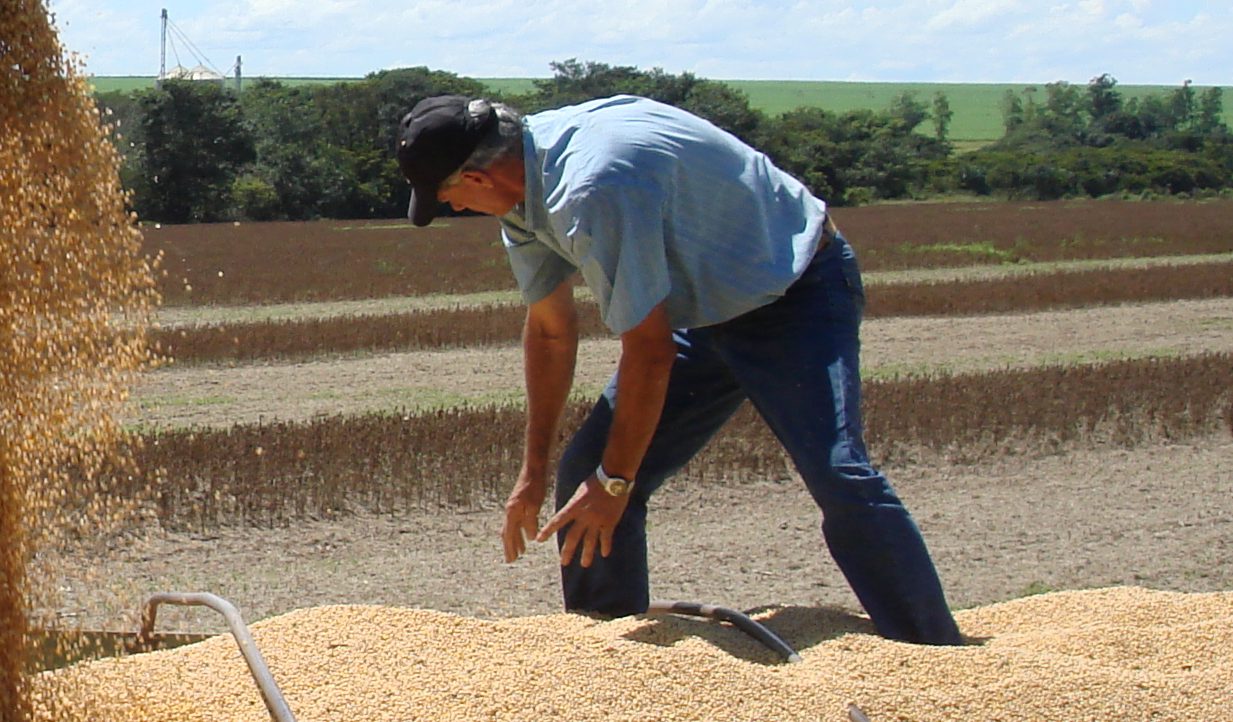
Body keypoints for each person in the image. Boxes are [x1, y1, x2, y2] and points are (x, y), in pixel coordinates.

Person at [394, 91, 960, 645]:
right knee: (585, 471)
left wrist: (616, 482)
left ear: (477, 178)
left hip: (792, 292)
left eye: (448, 197)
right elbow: (550, 329)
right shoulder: (521, 191)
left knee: (839, 475)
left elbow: (651, 350)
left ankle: (931, 655)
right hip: (700, 310)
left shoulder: (591, 187)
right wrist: (534, 472)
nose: (455, 210)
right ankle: (610, 652)